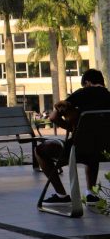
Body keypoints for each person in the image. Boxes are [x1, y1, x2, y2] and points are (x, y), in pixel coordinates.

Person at [36, 69, 110, 205]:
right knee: (94, 144)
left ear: (87, 82)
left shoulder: (82, 93)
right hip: (103, 151)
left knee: (40, 151)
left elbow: (53, 117)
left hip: (77, 149)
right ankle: (91, 194)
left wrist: (70, 127)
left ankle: (62, 195)